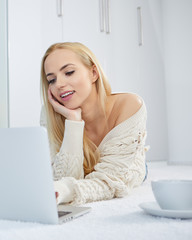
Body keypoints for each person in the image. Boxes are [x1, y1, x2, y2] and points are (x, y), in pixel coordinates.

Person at [40, 42, 148, 205]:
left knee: (133, 172)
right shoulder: (50, 113)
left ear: (93, 73)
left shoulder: (130, 106)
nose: (59, 85)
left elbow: (110, 182)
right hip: (86, 173)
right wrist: (73, 122)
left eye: (69, 72)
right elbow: (62, 179)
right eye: (51, 80)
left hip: (125, 164)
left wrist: (66, 190)